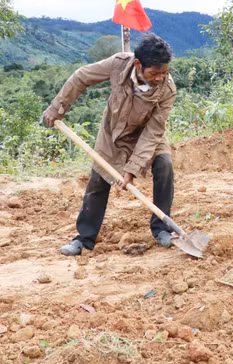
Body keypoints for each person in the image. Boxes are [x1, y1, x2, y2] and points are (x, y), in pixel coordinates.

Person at [43, 34, 177, 256]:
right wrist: (57, 108)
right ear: (138, 64)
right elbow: (80, 77)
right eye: (154, 73)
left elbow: (153, 132)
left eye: (164, 73)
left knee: (164, 166)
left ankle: (162, 229)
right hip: (113, 132)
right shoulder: (117, 65)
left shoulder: (167, 90)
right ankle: (84, 239)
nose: (159, 78)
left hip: (147, 134)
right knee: (98, 181)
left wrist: (131, 170)